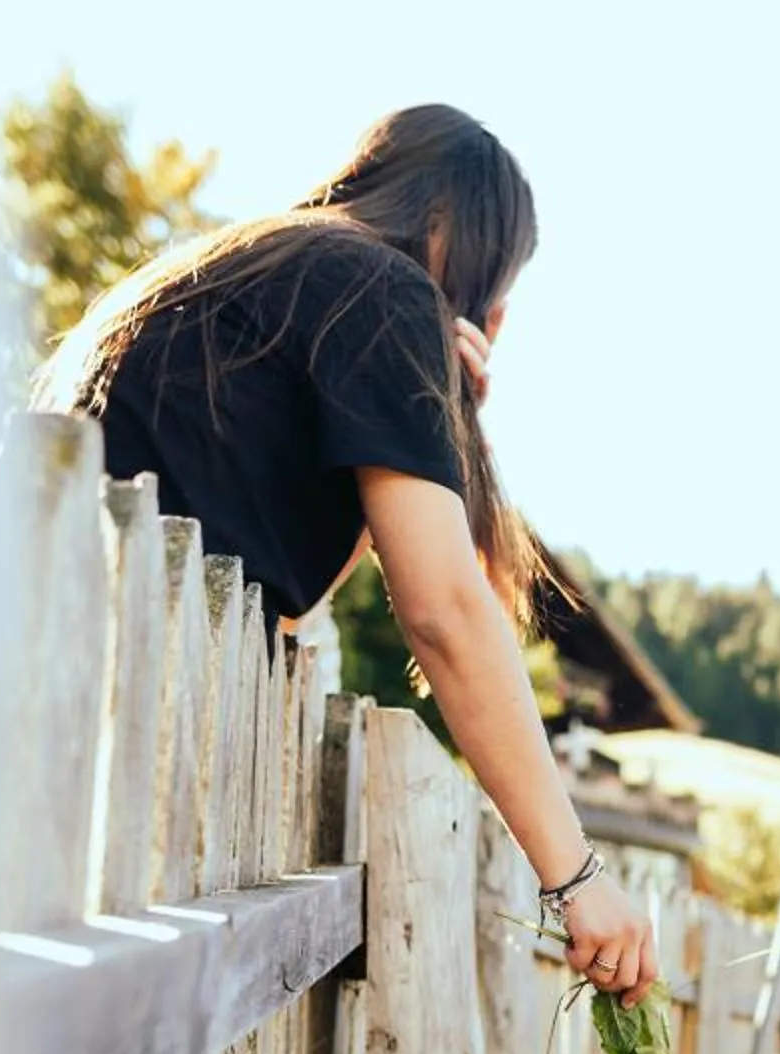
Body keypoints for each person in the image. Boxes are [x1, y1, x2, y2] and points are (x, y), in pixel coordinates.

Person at [33, 105, 654, 1001]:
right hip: (121, 736)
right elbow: (444, 612)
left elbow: (288, 588)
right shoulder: (381, 288)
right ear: (471, 248)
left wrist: (434, 420)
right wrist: (577, 880)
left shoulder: (246, 269)